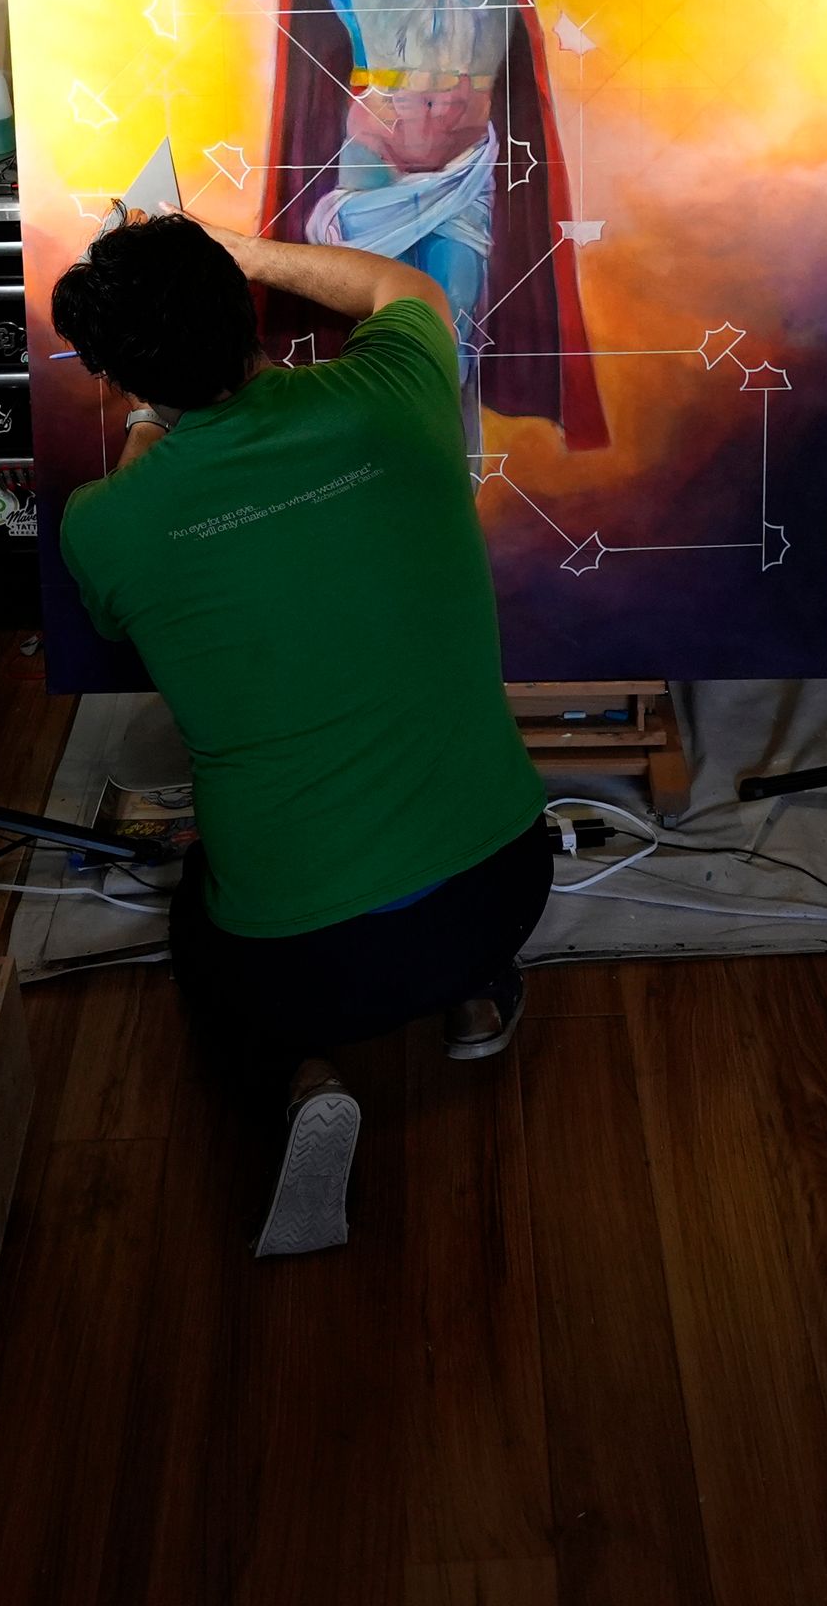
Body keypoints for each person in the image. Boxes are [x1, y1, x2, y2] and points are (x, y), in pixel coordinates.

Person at [6, 0, 827, 442]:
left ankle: (445, 510)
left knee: (456, 346)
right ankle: (360, 501)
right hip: (372, 161)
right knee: (373, 351)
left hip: (466, 169)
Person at [49, 208, 553, 1256]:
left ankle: (304, 1078)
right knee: (440, 867)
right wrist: (235, 253)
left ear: (115, 373)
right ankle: (474, 1002)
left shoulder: (106, 523)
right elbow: (400, 292)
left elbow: (119, 599)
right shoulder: (396, 396)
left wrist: (150, 416)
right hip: (507, 885)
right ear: (246, 312)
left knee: (198, 912)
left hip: (306, 966)